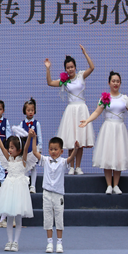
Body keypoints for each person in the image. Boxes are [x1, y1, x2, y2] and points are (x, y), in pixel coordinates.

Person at [79, 71, 128, 194]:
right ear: (109, 83)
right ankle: (109, 185)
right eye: (113, 81)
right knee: (108, 156)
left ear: (120, 83)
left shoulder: (124, 98)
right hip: (108, 129)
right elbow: (97, 112)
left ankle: (116, 185)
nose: (115, 83)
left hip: (120, 130)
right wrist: (87, 120)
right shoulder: (105, 98)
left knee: (118, 156)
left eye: (117, 81)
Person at [46, 46, 96, 174]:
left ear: (75, 67)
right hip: (71, 110)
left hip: (82, 109)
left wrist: (85, 53)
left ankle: (78, 167)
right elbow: (50, 82)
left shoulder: (81, 76)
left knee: (80, 139)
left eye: (72, 67)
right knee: (71, 139)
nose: (70, 69)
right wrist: (48, 68)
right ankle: (71, 166)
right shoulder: (65, 81)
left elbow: (92, 67)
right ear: (65, 69)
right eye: (68, 68)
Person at [0, 128, 38, 252]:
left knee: (18, 218)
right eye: (9, 147)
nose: (10, 150)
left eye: (12, 147)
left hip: (19, 190)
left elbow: (26, 147)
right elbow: (2, 148)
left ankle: (16, 242)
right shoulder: (9, 159)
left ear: (19, 149)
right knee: (9, 217)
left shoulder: (23, 160)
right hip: (9, 189)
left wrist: (30, 137)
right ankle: (9, 241)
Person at [33, 135, 79, 254]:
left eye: (56, 149)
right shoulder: (45, 160)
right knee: (48, 218)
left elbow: (71, 158)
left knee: (59, 218)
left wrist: (75, 149)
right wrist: (33, 138)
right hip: (47, 194)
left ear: (61, 151)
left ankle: (59, 242)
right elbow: (35, 152)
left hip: (58, 195)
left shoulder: (63, 162)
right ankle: (49, 242)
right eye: (51, 149)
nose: (53, 151)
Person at [19, 98, 42, 192]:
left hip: (34, 149)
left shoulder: (37, 123)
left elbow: (39, 136)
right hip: (25, 148)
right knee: (25, 167)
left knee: (33, 167)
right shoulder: (22, 123)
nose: (30, 112)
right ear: (25, 111)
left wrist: (40, 148)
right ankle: (26, 185)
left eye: (32, 110)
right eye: (28, 110)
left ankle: (33, 186)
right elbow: (19, 136)